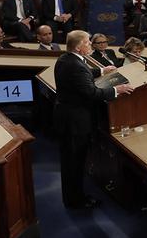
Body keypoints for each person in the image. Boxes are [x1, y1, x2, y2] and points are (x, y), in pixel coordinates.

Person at [54, 30, 134, 208]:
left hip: (66, 119)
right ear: (79, 47)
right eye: (88, 42)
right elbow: (92, 93)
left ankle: (73, 197)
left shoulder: (65, 59)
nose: (90, 44)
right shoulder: (75, 66)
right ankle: (76, 201)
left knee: (70, 163)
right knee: (74, 164)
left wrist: (101, 70)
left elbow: (84, 72)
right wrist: (117, 90)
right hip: (75, 123)